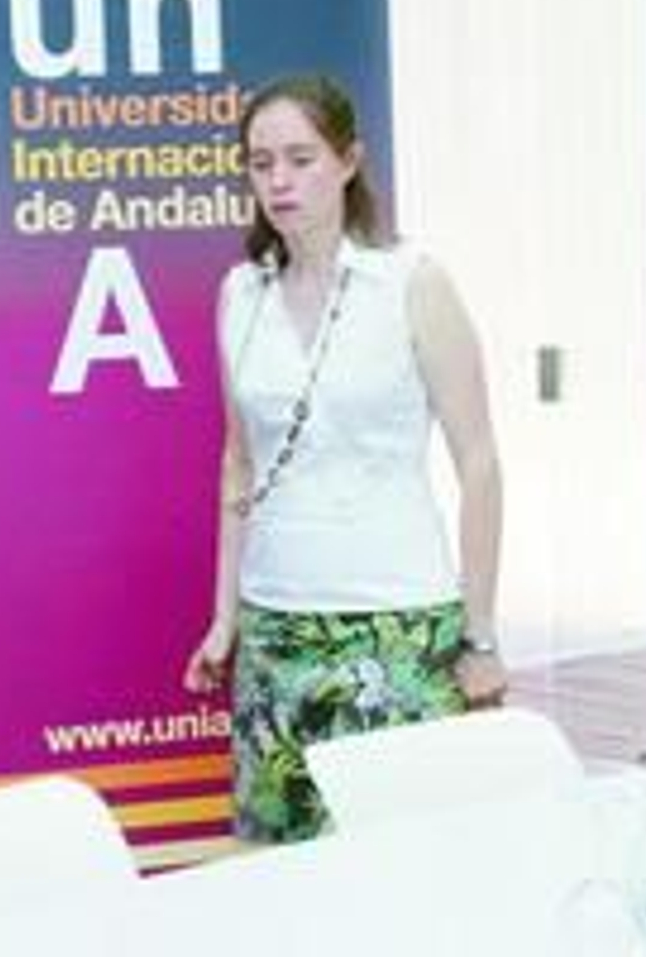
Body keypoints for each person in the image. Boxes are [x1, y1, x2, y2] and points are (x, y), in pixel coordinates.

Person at [182, 74, 507, 844]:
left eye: (301, 158)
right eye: (261, 163)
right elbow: (239, 465)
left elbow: (481, 462)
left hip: (400, 624)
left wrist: (482, 635)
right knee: (281, 874)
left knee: (410, 863)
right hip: (275, 630)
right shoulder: (241, 293)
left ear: (349, 160)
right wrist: (225, 617)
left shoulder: (412, 283)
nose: (280, 181)